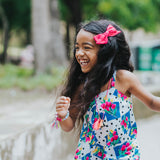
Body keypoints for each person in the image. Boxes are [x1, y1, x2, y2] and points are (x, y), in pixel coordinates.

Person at [54, 19, 160, 160]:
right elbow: (68, 126)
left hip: (123, 156)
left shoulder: (123, 78)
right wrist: (63, 115)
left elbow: (152, 102)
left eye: (86, 47)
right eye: (77, 47)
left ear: (105, 51)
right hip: (90, 156)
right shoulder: (82, 85)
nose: (79, 53)